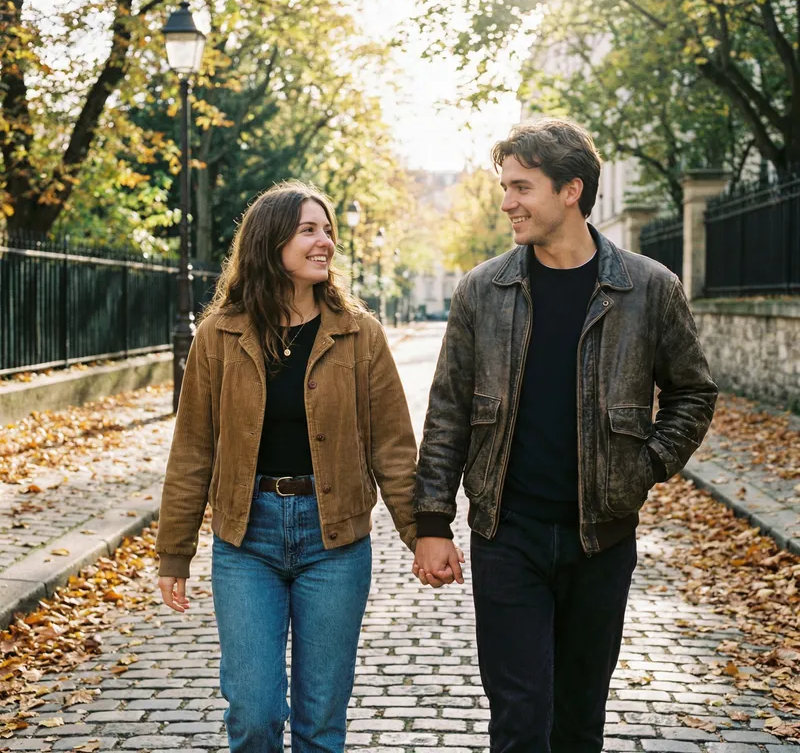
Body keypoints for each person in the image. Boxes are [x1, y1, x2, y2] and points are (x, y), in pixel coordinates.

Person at [412, 118, 718, 752]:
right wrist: (433, 522)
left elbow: (693, 393)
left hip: (601, 539)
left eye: (521, 187)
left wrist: (646, 465)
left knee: (579, 721)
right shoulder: (482, 291)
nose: (507, 202)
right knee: (519, 719)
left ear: (571, 189)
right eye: (505, 187)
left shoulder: (648, 288)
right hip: (507, 535)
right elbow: (447, 413)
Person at [155, 181, 418, 753]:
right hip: (246, 539)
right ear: (270, 241)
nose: (325, 242)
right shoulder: (219, 334)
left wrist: (422, 533)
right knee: (254, 713)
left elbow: (394, 447)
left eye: (328, 230)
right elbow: (193, 449)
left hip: (335, 540)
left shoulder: (359, 334)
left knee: (321, 723)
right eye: (308, 230)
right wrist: (174, 550)